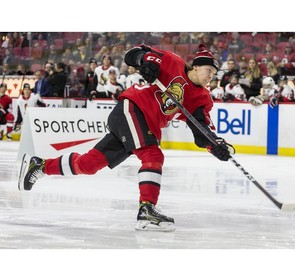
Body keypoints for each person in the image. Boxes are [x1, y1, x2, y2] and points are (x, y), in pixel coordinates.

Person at [18, 43, 235, 232]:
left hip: (143, 125)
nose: (210, 76)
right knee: (153, 155)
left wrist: (214, 145)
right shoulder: (172, 61)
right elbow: (134, 53)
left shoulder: (201, 98)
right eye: (208, 70)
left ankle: (40, 165)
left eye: (214, 74)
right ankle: (147, 208)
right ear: (195, 66)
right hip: (132, 109)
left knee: (89, 164)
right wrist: (144, 63)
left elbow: (201, 131)